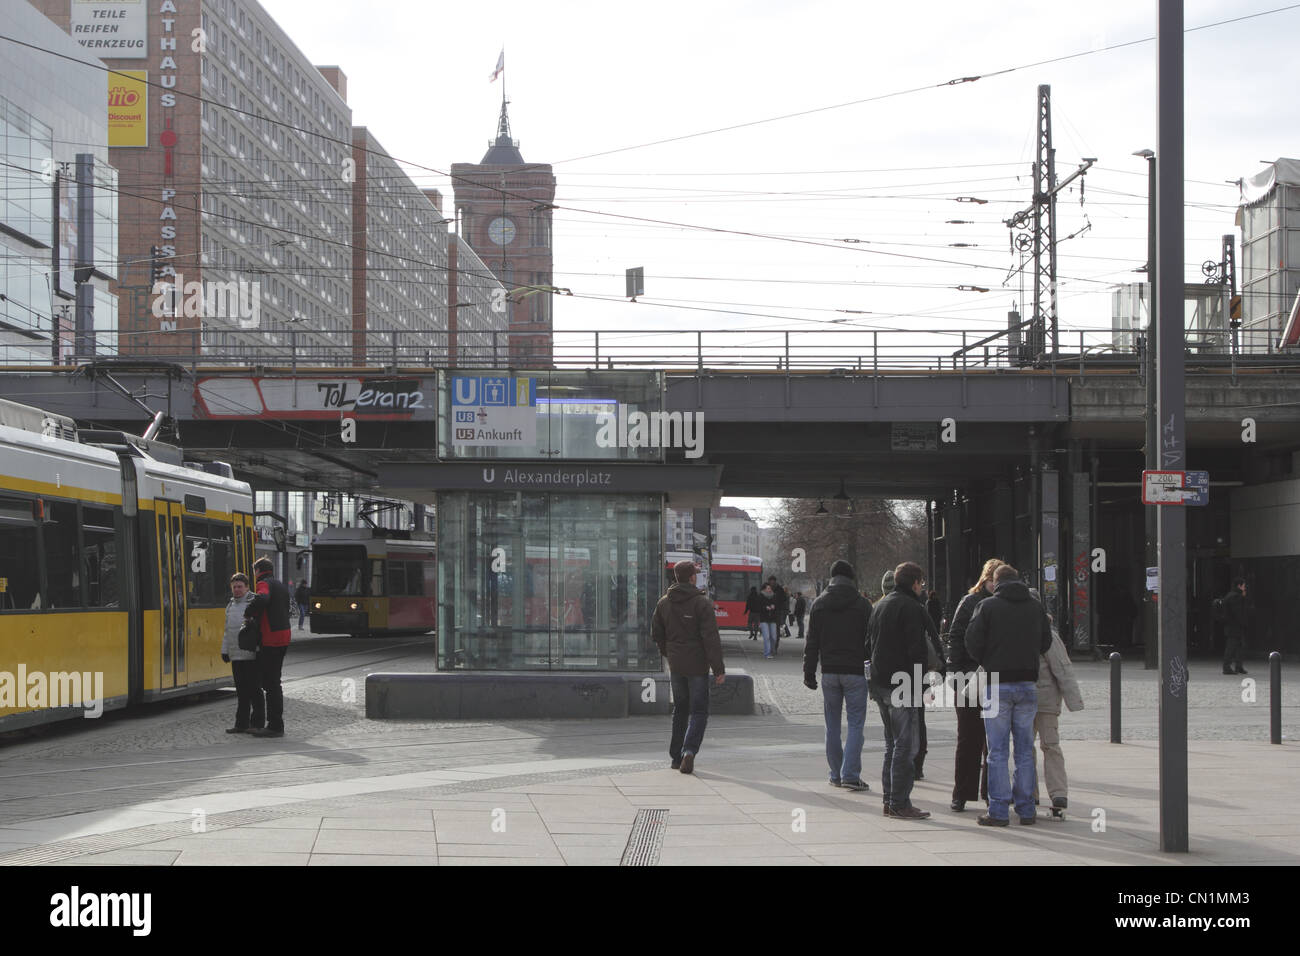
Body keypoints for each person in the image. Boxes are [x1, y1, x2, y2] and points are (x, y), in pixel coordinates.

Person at [965, 564, 1052, 827]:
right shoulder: (1035, 607)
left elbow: (971, 641)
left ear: (996, 582)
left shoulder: (988, 606)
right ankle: (1026, 809)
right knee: (1025, 749)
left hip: (997, 684)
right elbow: (1046, 643)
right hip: (1027, 683)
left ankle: (999, 810)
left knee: (997, 750)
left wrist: (988, 659)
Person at [867, 561, 935, 819]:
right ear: (915, 583)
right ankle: (899, 802)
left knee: (891, 745)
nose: (922, 587)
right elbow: (917, 652)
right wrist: (923, 686)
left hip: (881, 683)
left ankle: (890, 800)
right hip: (903, 686)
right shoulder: (912, 608)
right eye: (921, 583)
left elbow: (868, 645)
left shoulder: (880, 605)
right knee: (906, 746)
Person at [803, 561, 872, 790]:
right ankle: (850, 774)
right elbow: (871, 642)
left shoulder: (819, 604)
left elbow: (812, 642)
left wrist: (809, 672)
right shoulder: (862, 605)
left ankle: (835, 774)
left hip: (830, 672)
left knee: (831, 725)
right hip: (855, 672)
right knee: (855, 725)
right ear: (851, 578)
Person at [652, 559, 726, 775]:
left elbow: (656, 633)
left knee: (680, 710)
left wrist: (668, 652)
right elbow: (710, 638)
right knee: (699, 711)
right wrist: (718, 669)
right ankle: (690, 751)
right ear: (692, 577)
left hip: (676, 665)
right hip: (697, 666)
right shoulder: (701, 603)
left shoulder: (664, 602)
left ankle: (676, 757)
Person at [945, 558, 1004, 812]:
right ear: (987, 579)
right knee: (970, 738)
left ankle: (987, 792)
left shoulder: (986, 602)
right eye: (994, 581)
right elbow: (955, 639)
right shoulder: (970, 602)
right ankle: (963, 793)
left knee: (990, 740)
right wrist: (956, 675)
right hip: (971, 678)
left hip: (988, 677)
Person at [1030, 589, 1083, 814]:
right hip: (1039, 699)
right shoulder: (1046, 633)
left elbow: (1062, 669)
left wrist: (1074, 700)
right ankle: (1049, 793)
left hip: (1034, 699)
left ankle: (1050, 793)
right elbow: (1063, 668)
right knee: (1047, 746)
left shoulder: (1046, 635)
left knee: (1032, 747)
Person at [247, 557, 292, 738]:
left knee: (271, 683)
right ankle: (275, 723)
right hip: (284, 636)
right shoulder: (280, 585)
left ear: (258, 571)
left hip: (271, 638)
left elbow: (263, 598)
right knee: (274, 681)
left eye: (254, 571)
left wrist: (249, 612)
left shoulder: (263, 584)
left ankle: (275, 725)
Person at [220, 573, 264, 734]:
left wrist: (259, 649)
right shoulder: (230, 605)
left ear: (247, 587)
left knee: (254, 690)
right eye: (234, 587)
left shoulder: (253, 602)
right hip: (236, 655)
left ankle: (257, 723)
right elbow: (227, 631)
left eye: (240, 586)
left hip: (251, 655)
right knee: (241, 691)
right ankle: (241, 723)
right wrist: (224, 650)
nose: (237, 590)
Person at [1221, 578, 1248, 675]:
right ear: (1239, 586)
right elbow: (1238, 612)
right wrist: (1244, 622)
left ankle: (1238, 666)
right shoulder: (1235, 597)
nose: (1245, 588)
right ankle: (1227, 667)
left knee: (1239, 646)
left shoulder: (1231, 595)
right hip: (1234, 626)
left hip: (1232, 626)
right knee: (1231, 647)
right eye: (1244, 586)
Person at [758, 582, 780, 658]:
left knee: (774, 637)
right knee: (766, 636)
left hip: (773, 619)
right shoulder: (760, 596)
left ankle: (772, 650)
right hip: (764, 619)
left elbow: (778, 606)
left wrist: (774, 606)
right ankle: (767, 653)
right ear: (764, 589)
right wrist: (765, 608)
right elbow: (758, 607)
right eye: (768, 588)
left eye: (770, 588)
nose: (770, 589)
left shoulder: (774, 596)